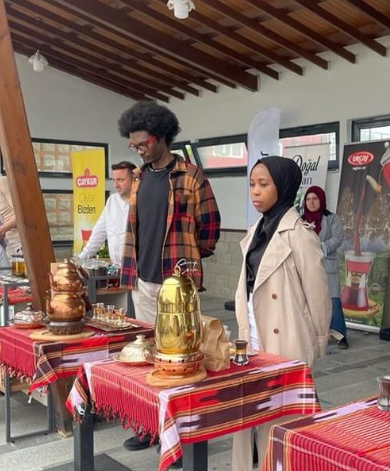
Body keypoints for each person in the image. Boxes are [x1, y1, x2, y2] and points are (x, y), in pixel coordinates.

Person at [117, 101, 220, 451]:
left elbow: (210, 227)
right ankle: (151, 427)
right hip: (142, 279)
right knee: (148, 357)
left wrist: (189, 258)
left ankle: (178, 436)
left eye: (142, 144)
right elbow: (135, 228)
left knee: (179, 361)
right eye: (133, 145)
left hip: (176, 285)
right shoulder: (140, 177)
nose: (138, 150)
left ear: (161, 137)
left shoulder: (190, 176)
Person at [231, 157, 331, 471]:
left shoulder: (299, 234)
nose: (255, 191)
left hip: (286, 340)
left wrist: (316, 343)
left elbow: (318, 295)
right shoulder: (255, 231)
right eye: (252, 184)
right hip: (251, 338)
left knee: (281, 427)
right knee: (250, 417)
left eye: (263, 184)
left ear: (284, 187)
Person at [302, 185, 348, 349]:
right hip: (307, 266)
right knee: (308, 301)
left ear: (321, 200)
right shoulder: (300, 220)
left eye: (315, 198)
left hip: (327, 265)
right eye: (308, 199)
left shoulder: (331, 218)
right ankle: (311, 335)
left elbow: (338, 237)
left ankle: (341, 336)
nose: (311, 202)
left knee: (333, 302)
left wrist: (320, 247)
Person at [78, 161, 136, 265]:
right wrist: (81, 258)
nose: (116, 185)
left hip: (137, 267)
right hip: (117, 267)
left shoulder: (143, 203)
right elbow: (99, 232)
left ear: (134, 179)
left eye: (120, 180)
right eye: (114, 180)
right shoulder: (112, 201)